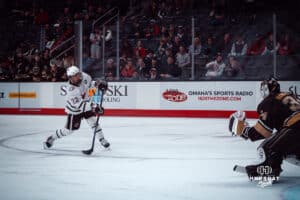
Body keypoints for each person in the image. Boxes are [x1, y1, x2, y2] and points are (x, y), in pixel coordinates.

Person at [229, 77, 300, 182]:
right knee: (287, 147)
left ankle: (268, 171)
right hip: (295, 127)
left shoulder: (269, 101)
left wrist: (244, 131)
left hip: (296, 126)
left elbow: (262, 132)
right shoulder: (289, 96)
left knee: (267, 148)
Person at [44, 66, 110, 149]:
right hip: (74, 110)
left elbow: (91, 88)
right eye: (76, 75)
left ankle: (102, 139)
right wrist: (94, 107)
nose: (79, 76)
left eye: (78, 73)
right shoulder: (71, 90)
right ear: (71, 77)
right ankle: (52, 138)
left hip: (86, 103)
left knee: (93, 122)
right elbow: (80, 105)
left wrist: (98, 85)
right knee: (68, 131)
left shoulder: (86, 76)